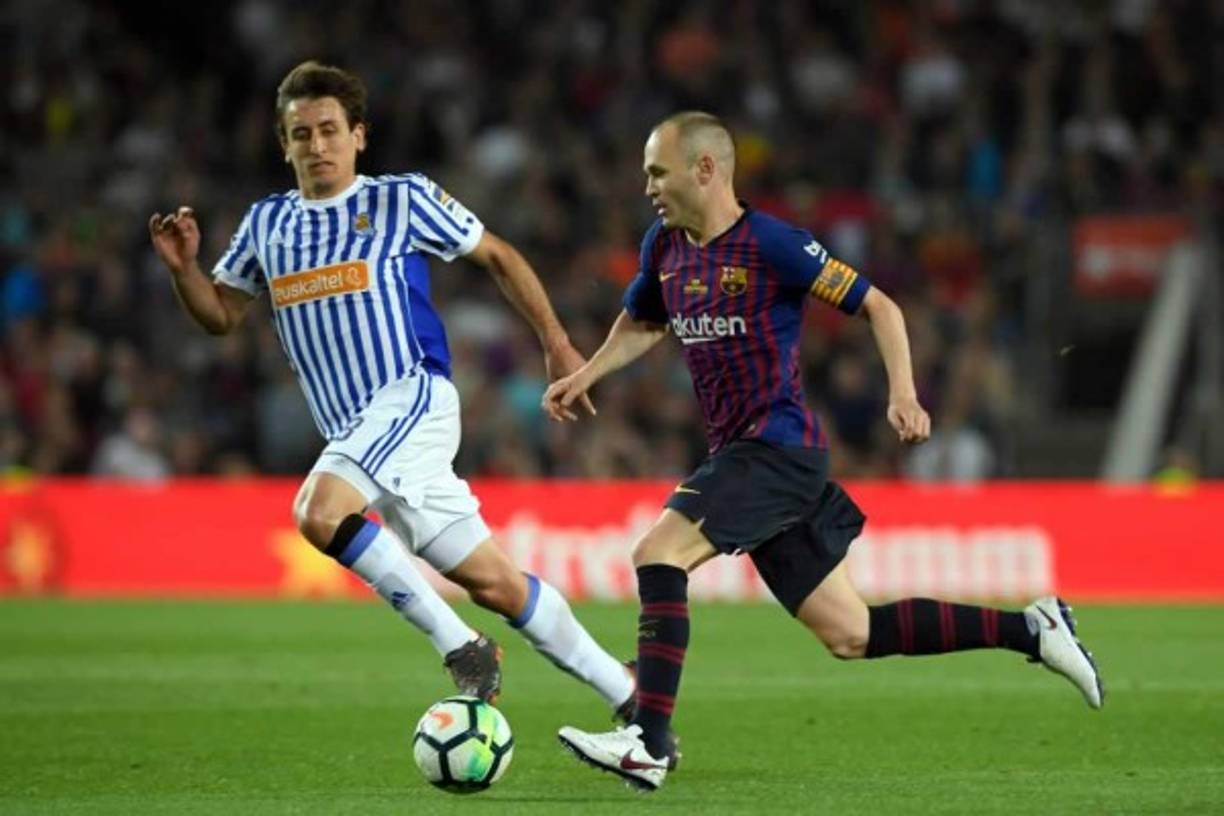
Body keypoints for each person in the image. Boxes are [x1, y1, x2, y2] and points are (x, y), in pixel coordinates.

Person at [543, 112, 1104, 792]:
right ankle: (1034, 630)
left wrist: (904, 394)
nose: (648, 187)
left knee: (658, 553)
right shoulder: (664, 247)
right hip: (750, 456)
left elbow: (881, 307)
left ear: (705, 169)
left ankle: (648, 741)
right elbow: (643, 321)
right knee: (851, 632)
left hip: (774, 450)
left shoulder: (773, 244)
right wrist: (588, 373)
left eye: (657, 173)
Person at [148, 60, 637, 720]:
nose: (317, 145)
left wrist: (554, 340)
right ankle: (629, 692)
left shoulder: (400, 200)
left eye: (329, 130)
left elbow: (498, 254)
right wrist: (184, 272)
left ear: (359, 136)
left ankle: (462, 647)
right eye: (301, 134)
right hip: (358, 434)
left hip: (412, 398)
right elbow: (221, 315)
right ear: (284, 144)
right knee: (494, 583)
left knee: (318, 512)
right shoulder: (267, 224)